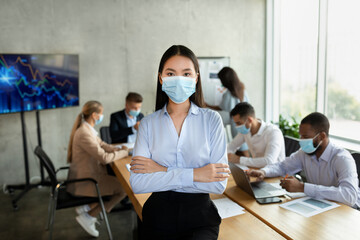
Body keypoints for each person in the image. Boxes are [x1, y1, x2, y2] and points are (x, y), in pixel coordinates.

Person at [129, 45, 230, 239]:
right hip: (157, 217)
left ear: (196, 78)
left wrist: (161, 170)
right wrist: (197, 174)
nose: (179, 80)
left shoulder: (211, 120)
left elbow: (218, 185)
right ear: (161, 78)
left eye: (186, 73)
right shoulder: (148, 124)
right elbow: (138, 183)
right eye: (170, 73)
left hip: (201, 219)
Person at [248, 112, 360, 208]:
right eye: (300, 136)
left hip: (346, 211)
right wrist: (264, 171)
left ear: (322, 136)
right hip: (320, 205)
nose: (301, 141)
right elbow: (283, 166)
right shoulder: (305, 153)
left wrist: (302, 187)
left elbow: (349, 196)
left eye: (305, 137)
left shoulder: (342, 158)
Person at [66, 100, 129, 237]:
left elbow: (101, 144)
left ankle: (88, 207)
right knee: (124, 189)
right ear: (94, 115)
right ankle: (89, 216)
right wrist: (124, 153)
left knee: (117, 182)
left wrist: (116, 149)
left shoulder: (87, 129)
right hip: (86, 181)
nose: (102, 116)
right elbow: (104, 158)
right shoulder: (84, 133)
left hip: (89, 175)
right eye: (101, 113)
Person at [206, 67, 250, 155]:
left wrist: (207, 105)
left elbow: (223, 108)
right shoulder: (242, 89)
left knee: (241, 151)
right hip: (245, 124)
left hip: (236, 126)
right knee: (244, 150)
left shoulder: (229, 94)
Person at [227, 102, 285, 168]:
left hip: (276, 174)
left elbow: (269, 161)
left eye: (239, 123)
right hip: (257, 170)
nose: (237, 126)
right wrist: (229, 155)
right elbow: (231, 146)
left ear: (249, 120)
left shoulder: (273, 132)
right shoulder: (246, 131)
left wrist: (239, 159)